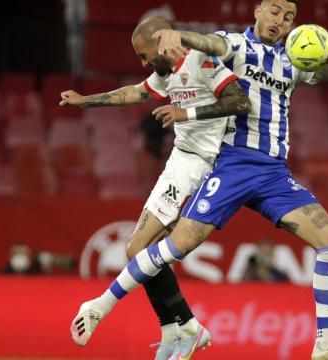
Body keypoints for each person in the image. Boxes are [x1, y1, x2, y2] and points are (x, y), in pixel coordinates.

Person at [71, 1, 328, 359]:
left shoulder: (294, 58)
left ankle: (325, 345)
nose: (281, 20)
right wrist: (174, 35)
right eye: (275, 11)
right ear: (259, 9)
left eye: (289, 17)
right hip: (232, 164)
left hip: (274, 172)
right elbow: (206, 44)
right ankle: (103, 306)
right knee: (172, 247)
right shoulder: (234, 45)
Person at [61, 17, 251, 359]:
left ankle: (176, 328)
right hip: (181, 161)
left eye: (144, 53)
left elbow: (240, 102)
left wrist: (186, 113)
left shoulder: (202, 60)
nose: (143, 62)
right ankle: (179, 330)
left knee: (149, 251)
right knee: (137, 251)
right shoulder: (164, 72)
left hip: (212, 165)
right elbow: (134, 93)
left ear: (161, 42)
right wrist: (84, 101)